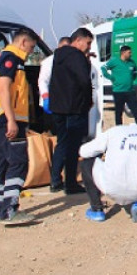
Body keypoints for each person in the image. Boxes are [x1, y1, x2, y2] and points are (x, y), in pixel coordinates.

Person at [0, 28, 38, 224]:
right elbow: (4, 88)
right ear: (22, 42)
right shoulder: (11, 59)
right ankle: (10, 210)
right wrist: (11, 120)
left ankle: (0, 211)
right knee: (19, 162)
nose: (30, 52)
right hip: (6, 120)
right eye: (31, 48)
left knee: (0, 165)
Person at [78, 123, 137, 223]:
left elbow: (84, 152)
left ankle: (96, 209)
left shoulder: (115, 131)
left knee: (87, 163)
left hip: (111, 186)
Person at [49, 28, 94, 194]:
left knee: (62, 143)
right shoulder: (77, 57)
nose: (89, 47)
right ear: (78, 40)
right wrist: (89, 100)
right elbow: (84, 80)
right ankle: (70, 183)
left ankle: (55, 180)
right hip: (75, 107)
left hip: (58, 107)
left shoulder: (58, 56)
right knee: (73, 146)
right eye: (88, 43)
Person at [101, 45, 137, 128]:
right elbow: (103, 68)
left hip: (130, 91)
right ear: (123, 53)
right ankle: (119, 128)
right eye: (129, 52)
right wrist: (111, 77)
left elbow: (135, 72)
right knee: (119, 111)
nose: (130, 54)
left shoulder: (132, 62)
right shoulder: (114, 61)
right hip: (118, 91)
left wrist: (131, 79)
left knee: (135, 110)